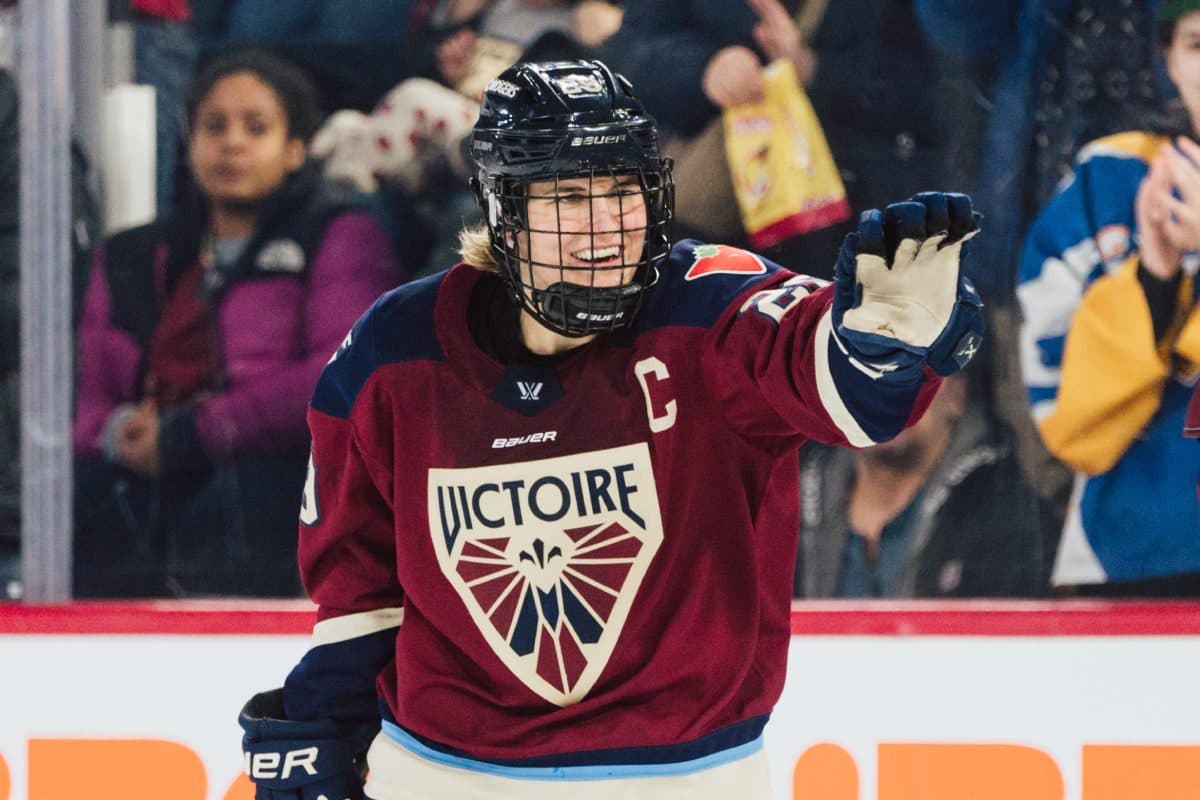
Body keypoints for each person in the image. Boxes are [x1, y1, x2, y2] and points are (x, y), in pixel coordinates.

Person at [238, 59, 984, 799]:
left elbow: (836, 384)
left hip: (687, 780)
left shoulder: (710, 308)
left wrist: (879, 349)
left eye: (621, 192)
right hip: (444, 776)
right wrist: (326, 723)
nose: (602, 228)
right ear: (501, 211)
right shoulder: (390, 353)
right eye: (566, 196)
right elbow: (362, 591)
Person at [72, 49, 401, 597]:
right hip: (147, 466)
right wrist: (115, 432)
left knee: (248, 496)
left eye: (256, 127)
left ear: (296, 148)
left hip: (275, 473)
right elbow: (77, 391)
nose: (232, 143)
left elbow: (343, 377)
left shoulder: (340, 233)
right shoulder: (132, 254)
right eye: (214, 126)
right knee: (86, 496)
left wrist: (195, 433)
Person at [1018, 1, 1200, 597]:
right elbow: (1069, 424)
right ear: (1167, 60)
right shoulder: (1108, 186)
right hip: (1128, 564)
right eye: (1198, 45)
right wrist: (1153, 278)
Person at [795, 371, 1054, 599]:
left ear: (957, 395)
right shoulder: (780, 507)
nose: (886, 388)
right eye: (865, 364)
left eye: (913, 367)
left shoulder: (1011, 521)